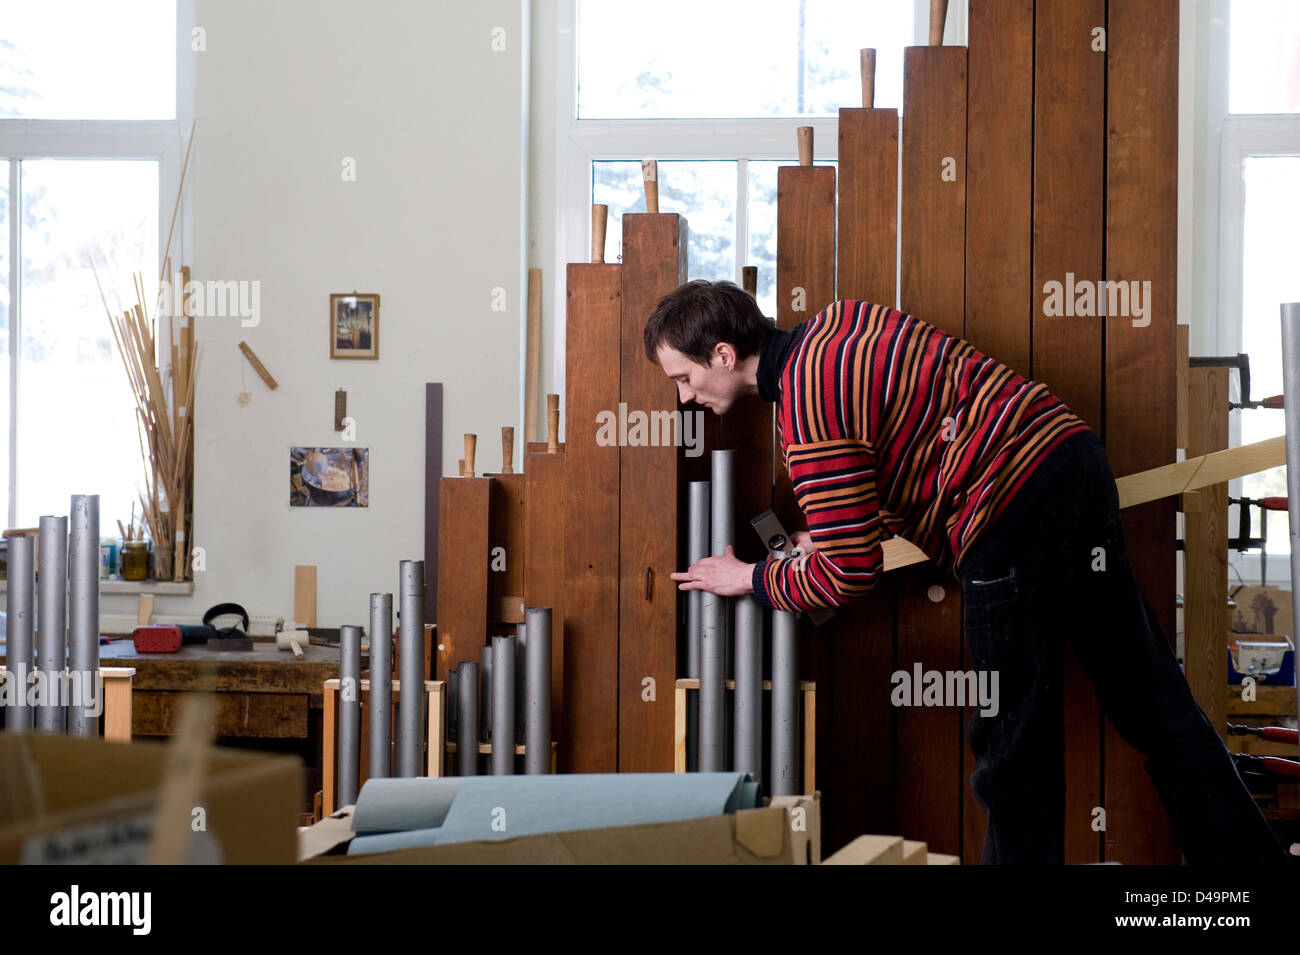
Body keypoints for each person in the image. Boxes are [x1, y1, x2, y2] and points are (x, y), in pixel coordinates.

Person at [650, 278, 1289, 865]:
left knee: (1011, 749)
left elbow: (848, 574)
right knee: (1154, 705)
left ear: (725, 355)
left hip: (1007, 516)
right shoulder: (843, 322)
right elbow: (921, 436)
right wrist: (837, 523)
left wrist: (751, 579)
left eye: (683, 377)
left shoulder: (806, 414)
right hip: (1067, 460)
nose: (685, 396)